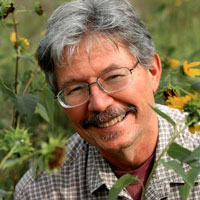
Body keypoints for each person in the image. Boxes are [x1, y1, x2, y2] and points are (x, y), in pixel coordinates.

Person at [15, 0, 200, 199]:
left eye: (114, 77)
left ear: (152, 72)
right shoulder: (40, 190)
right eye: (76, 89)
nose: (99, 103)